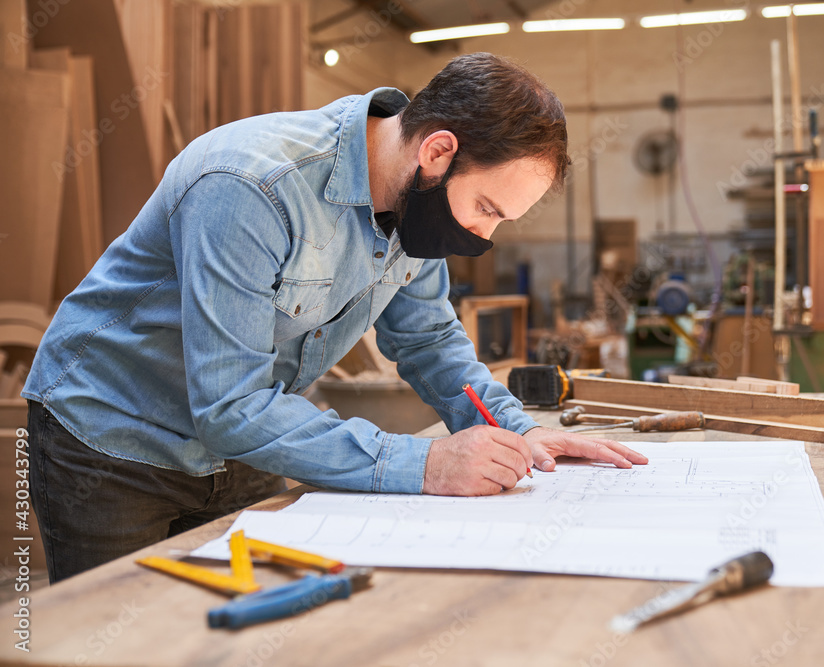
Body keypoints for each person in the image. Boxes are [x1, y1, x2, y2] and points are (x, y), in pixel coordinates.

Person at [23, 52, 647, 583]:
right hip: (113, 438)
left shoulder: (415, 209)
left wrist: (518, 433)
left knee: (236, 634)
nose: (483, 235)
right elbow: (230, 406)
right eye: (485, 207)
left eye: (500, 221)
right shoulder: (250, 186)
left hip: (239, 444)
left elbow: (429, 340)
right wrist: (425, 465)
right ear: (437, 151)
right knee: (115, 637)